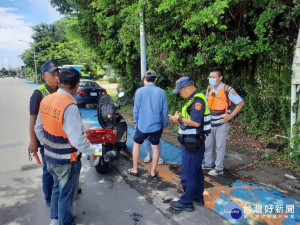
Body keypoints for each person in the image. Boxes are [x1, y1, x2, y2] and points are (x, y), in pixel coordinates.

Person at [34, 67, 97, 225]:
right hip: (66, 161)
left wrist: (50, 146)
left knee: (56, 189)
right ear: (77, 85)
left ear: (60, 82)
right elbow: (77, 140)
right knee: (67, 197)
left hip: (49, 158)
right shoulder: (70, 107)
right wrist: (96, 150)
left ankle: (54, 220)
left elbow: (38, 129)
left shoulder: (46, 100)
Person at [169, 76, 211, 212]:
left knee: (188, 172)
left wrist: (179, 119)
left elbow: (196, 122)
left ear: (187, 88)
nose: (180, 94)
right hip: (195, 141)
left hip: (193, 142)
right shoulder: (193, 99)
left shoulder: (197, 100)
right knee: (196, 170)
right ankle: (198, 196)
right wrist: (180, 116)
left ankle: (187, 201)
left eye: (180, 91)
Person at [202, 67, 244, 176]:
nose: (210, 79)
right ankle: (208, 163)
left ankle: (219, 168)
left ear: (220, 78)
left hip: (222, 123)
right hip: (209, 122)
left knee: (220, 146)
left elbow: (241, 103)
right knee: (208, 144)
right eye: (210, 77)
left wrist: (231, 115)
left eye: (213, 77)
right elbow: (206, 103)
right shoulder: (209, 89)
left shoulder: (228, 89)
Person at [28, 61, 59, 206]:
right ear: (44, 77)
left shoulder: (61, 91)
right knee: (48, 170)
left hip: (60, 139)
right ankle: (49, 197)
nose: (56, 78)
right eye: (52, 75)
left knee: (62, 167)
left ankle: (63, 189)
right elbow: (33, 119)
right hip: (46, 140)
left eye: (58, 74)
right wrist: (33, 141)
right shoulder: (38, 94)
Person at [128, 70, 168, 177]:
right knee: (155, 147)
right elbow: (165, 111)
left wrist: (136, 122)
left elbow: (135, 110)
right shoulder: (161, 92)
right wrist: (165, 123)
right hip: (156, 126)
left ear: (145, 79)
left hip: (142, 126)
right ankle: (153, 171)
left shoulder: (139, 92)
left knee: (137, 145)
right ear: (155, 80)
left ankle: (135, 169)